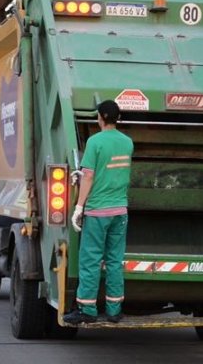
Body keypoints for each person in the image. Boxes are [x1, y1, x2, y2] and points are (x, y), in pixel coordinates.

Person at [63, 100, 134, 325]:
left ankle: (88, 310)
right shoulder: (127, 142)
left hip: (97, 211)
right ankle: (114, 311)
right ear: (118, 118)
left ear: (101, 117)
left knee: (91, 260)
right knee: (114, 261)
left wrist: (79, 207)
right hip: (120, 211)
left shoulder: (95, 142)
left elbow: (90, 176)